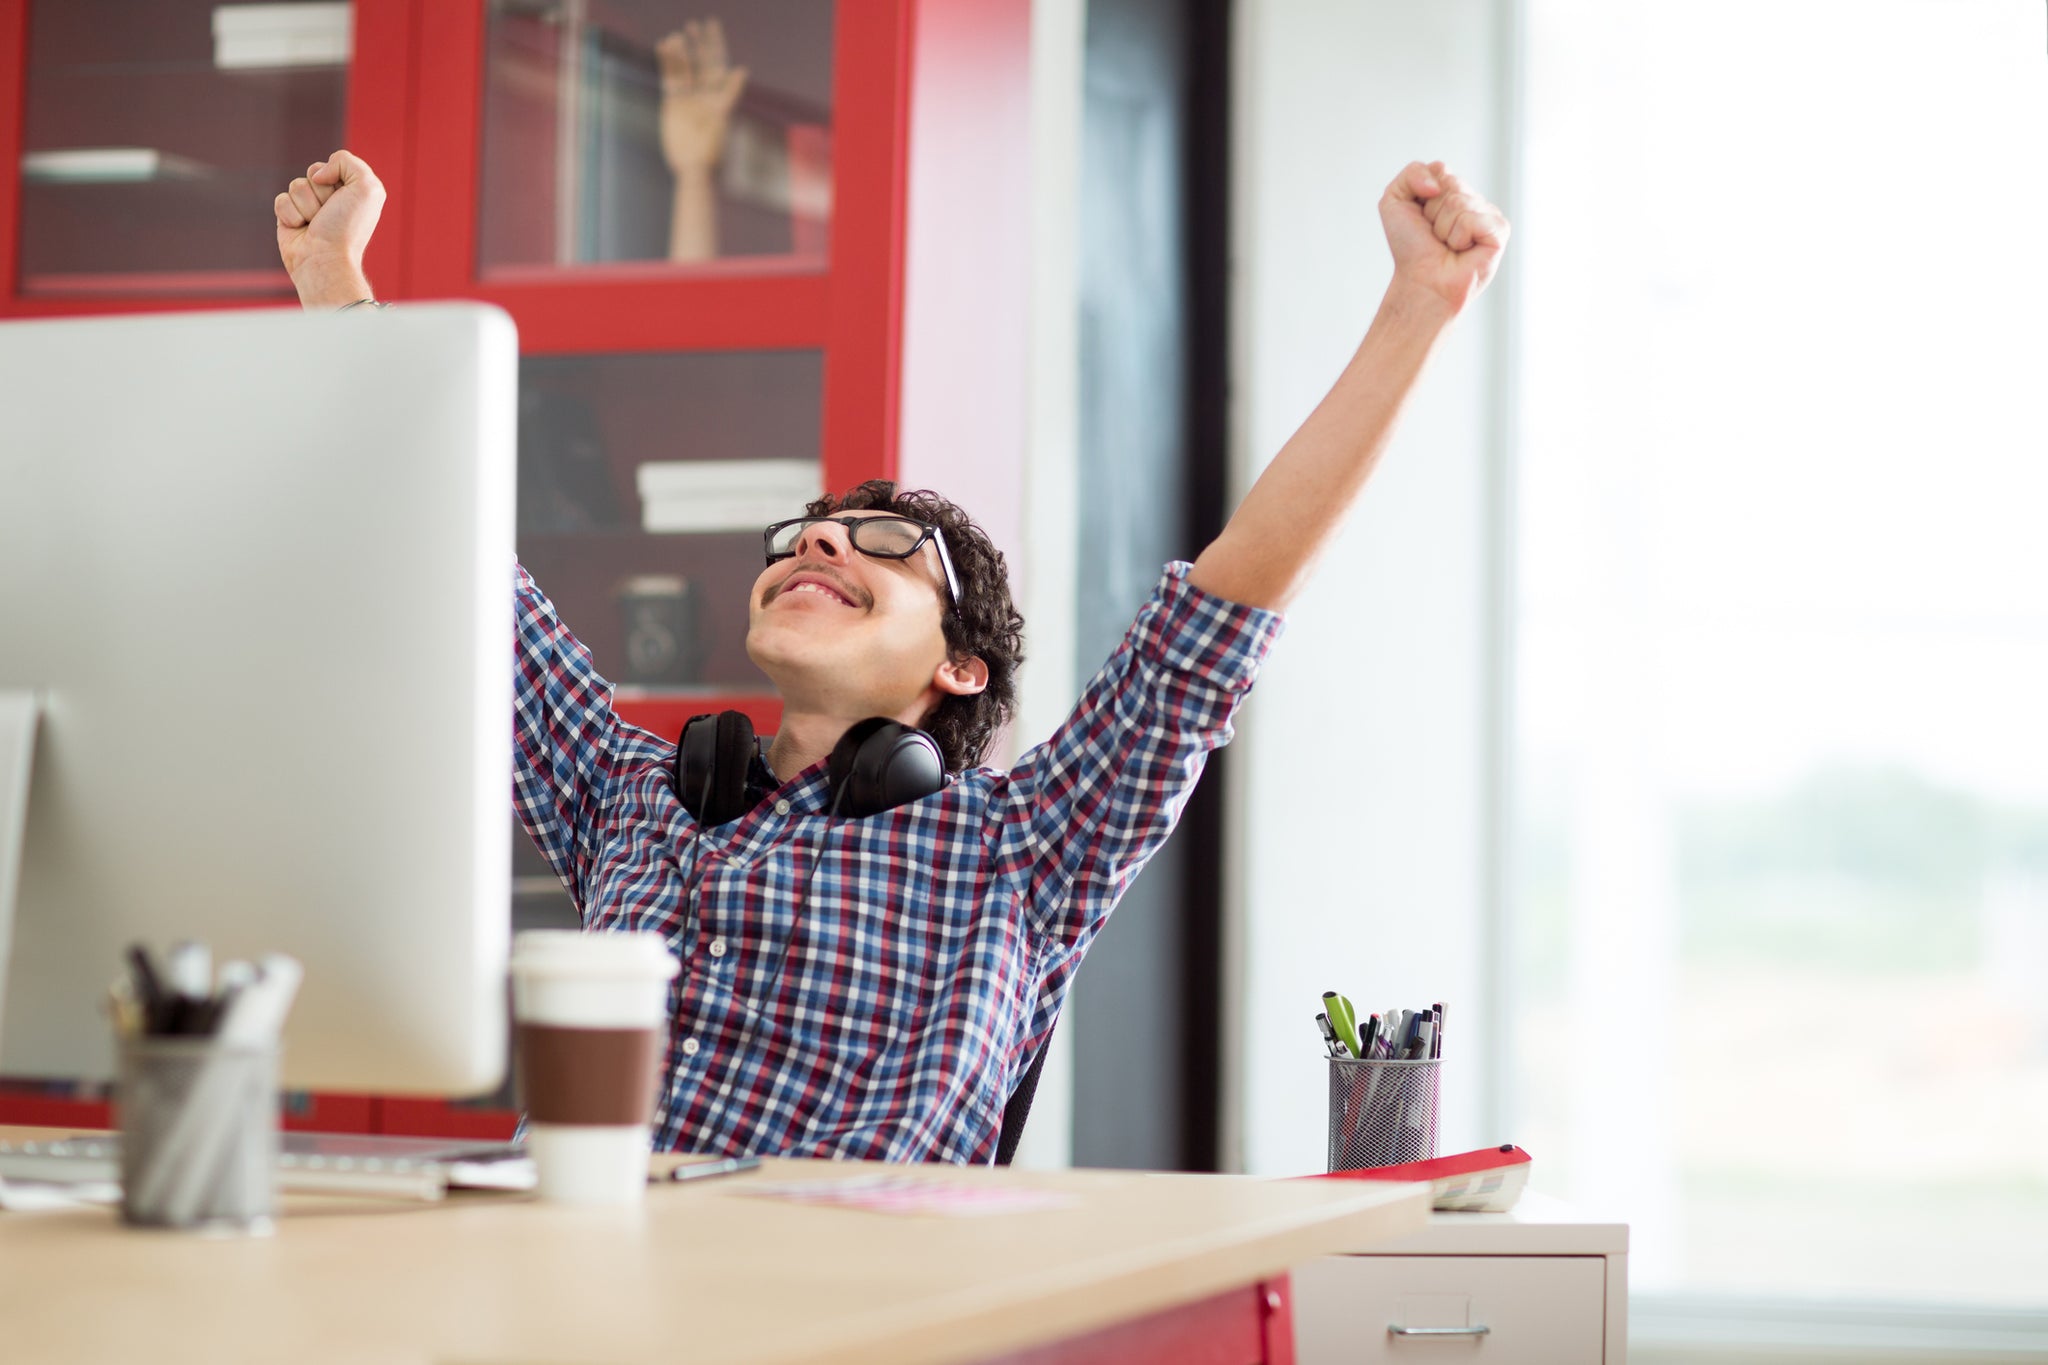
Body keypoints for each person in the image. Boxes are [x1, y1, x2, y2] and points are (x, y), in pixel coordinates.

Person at [272, 145, 1509, 1164]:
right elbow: (459, 548)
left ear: (959, 668)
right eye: (800, 537)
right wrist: (336, 286)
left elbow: (1228, 604)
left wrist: (1417, 306)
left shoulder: (1024, 849)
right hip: (559, 1284)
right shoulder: (628, 796)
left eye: (881, 545)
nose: (816, 544)